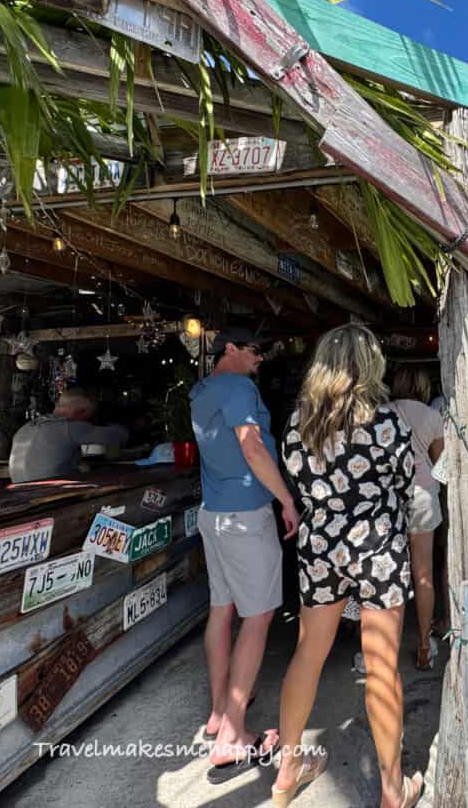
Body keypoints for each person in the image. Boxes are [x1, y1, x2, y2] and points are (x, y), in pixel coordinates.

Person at [275, 324, 422, 808]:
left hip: (320, 545)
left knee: (308, 654)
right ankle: (392, 789)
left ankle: (286, 772)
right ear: (368, 364)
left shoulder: (299, 424)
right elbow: (405, 481)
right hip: (377, 542)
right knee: (382, 666)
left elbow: (295, 476)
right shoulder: (386, 422)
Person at [190, 327, 298, 782]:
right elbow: (251, 446)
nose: (261, 358)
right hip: (245, 516)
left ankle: (219, 712)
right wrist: (287, 500)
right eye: (255, 350)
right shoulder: (238, 386)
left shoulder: (200, 390)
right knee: (258, 617)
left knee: (222, 609)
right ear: (230, 349)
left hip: (213, 514)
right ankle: (232, 737)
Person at [386, 365, 444, 670]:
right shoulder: (431, 416)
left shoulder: (380, 412)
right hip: (422, 497)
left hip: (387, 499)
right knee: (423, 574)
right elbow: (440, 462)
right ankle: (424, 645)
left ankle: (384, 651)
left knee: (388, 574)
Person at [9, 388, 129, 482]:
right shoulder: (69, 427)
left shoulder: (27, 427)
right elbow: (119, 435)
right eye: (88, 415)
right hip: (48, 496)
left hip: (21, 492)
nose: (87, 421)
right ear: (81, 412)